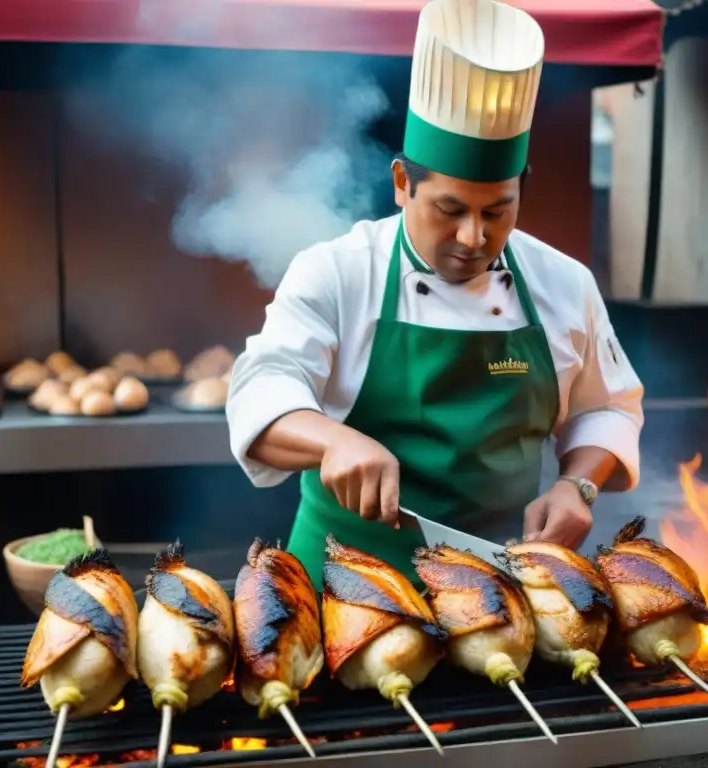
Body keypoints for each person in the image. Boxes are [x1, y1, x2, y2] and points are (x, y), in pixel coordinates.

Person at [227, 0, 644, 590]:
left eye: (498, 212)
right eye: (450, 210)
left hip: (497, 593)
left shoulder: (564, 283)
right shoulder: (338, 272)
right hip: (342, 589)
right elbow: (258, 394)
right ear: (402, 183)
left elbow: (607, 407)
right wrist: (333, 439)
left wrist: (577, 483)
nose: (474, 238)